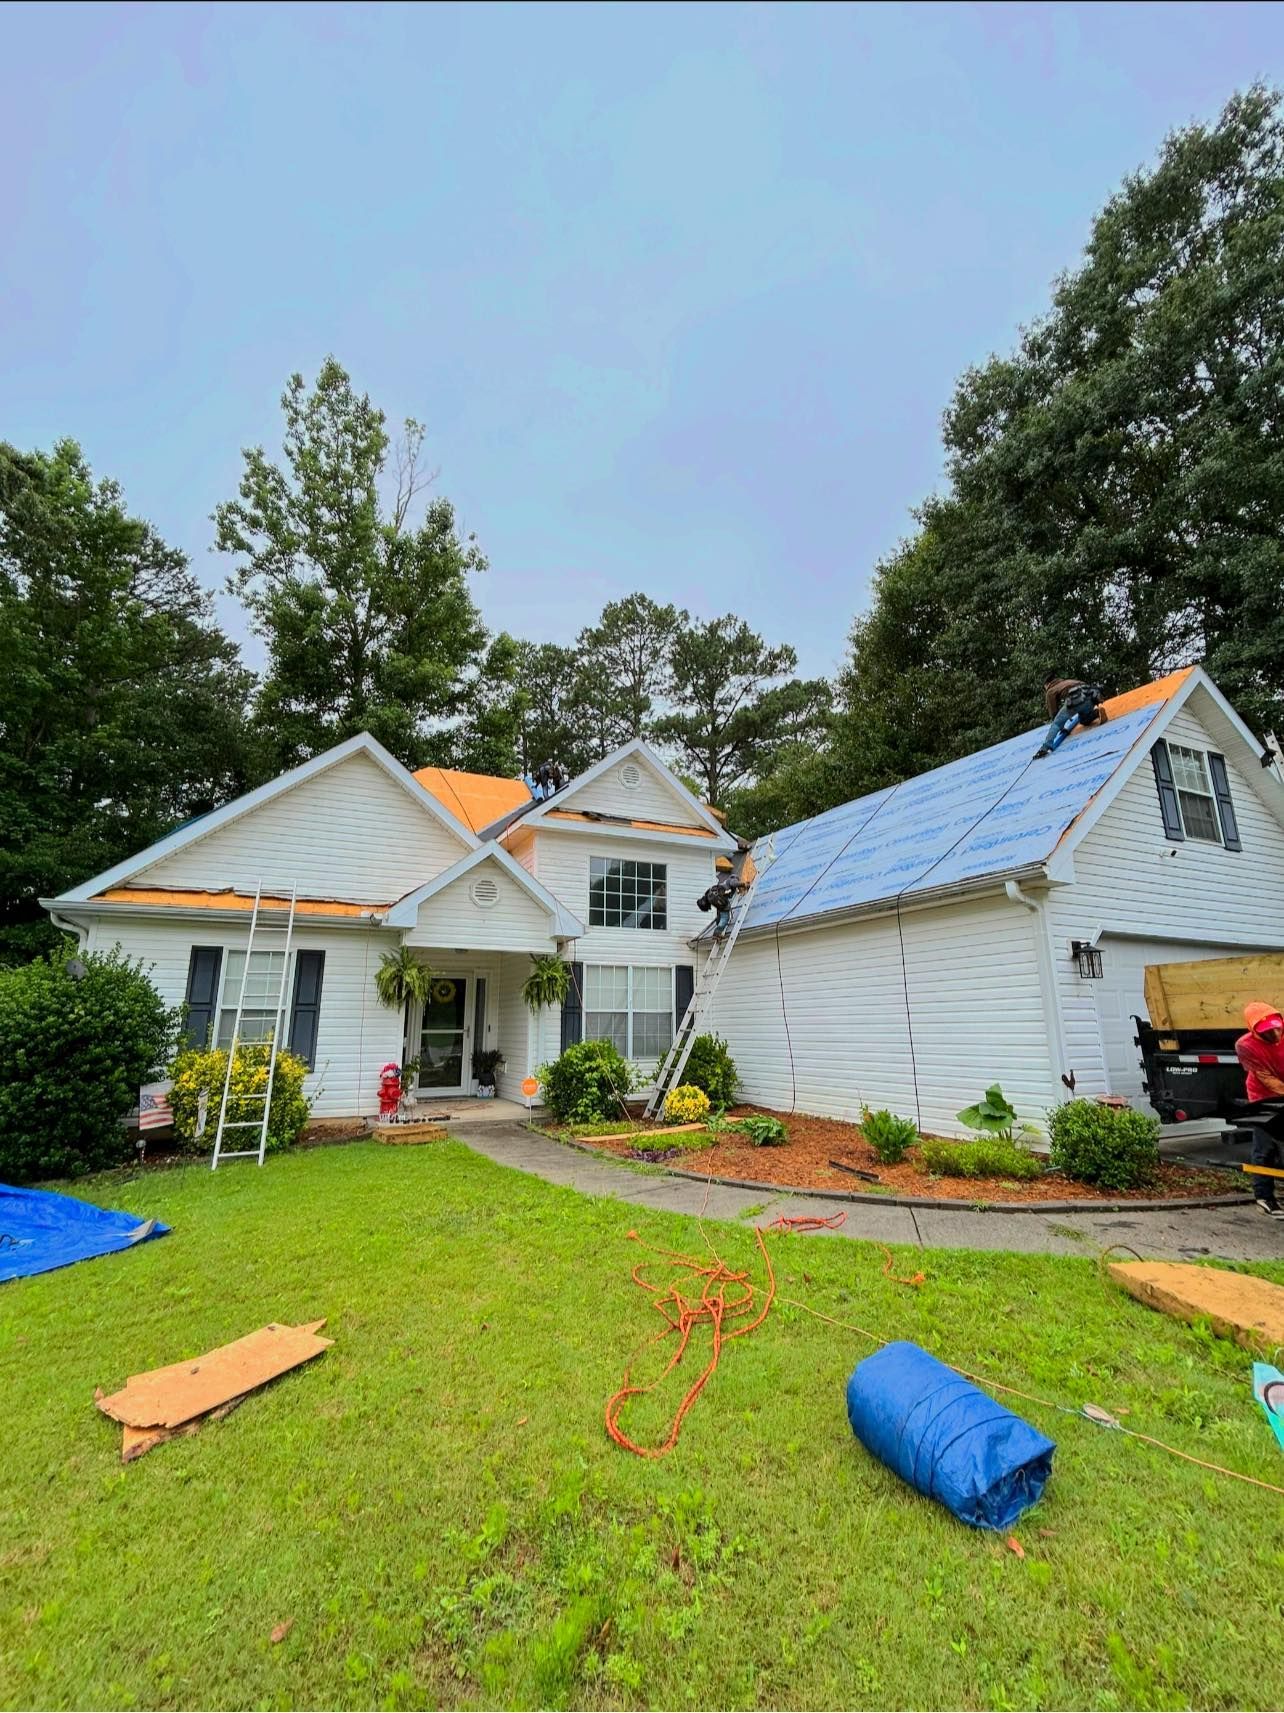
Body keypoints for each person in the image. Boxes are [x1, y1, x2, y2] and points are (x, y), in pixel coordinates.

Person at [1234, 1001, 1284, 1217]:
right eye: (1268, 1031)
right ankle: (1264, 1197)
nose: (1275, 1033)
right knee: (1265, 1147)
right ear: (1254, 1030)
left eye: (1277, 1027)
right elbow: (1266, 1078)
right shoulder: (1245, 1046)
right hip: (1264, 1096)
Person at [1035, 676, 1109, 759]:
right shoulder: (1069, 681)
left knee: (1056, 723)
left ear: (1047, 684)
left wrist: (1061, 726)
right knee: (1083, 720)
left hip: (1076, 699)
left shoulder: (1050, 690)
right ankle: (1096, 713)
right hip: (1090, 697)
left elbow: (1053, 712)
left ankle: (1045, 747)